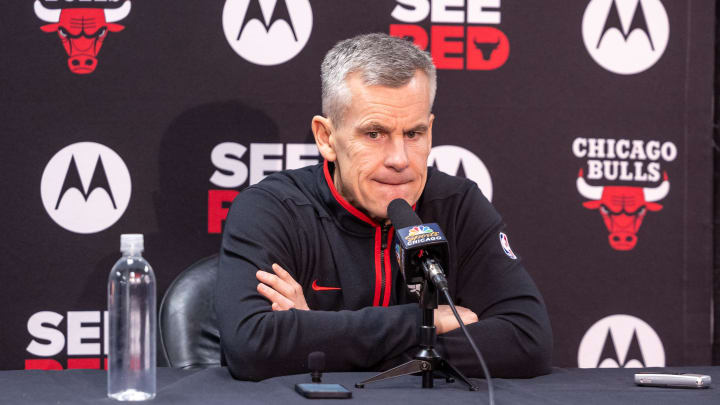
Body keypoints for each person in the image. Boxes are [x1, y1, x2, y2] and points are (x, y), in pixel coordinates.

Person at [215, 33, 552, 381]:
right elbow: (251, 347)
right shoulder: (272, 209)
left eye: (413, 134)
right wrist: (425, 321)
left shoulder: (458, 204)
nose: (399, 159)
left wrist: (316, 336)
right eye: (374, 134)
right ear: (326, 138)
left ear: (431, 131)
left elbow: (527, 341)